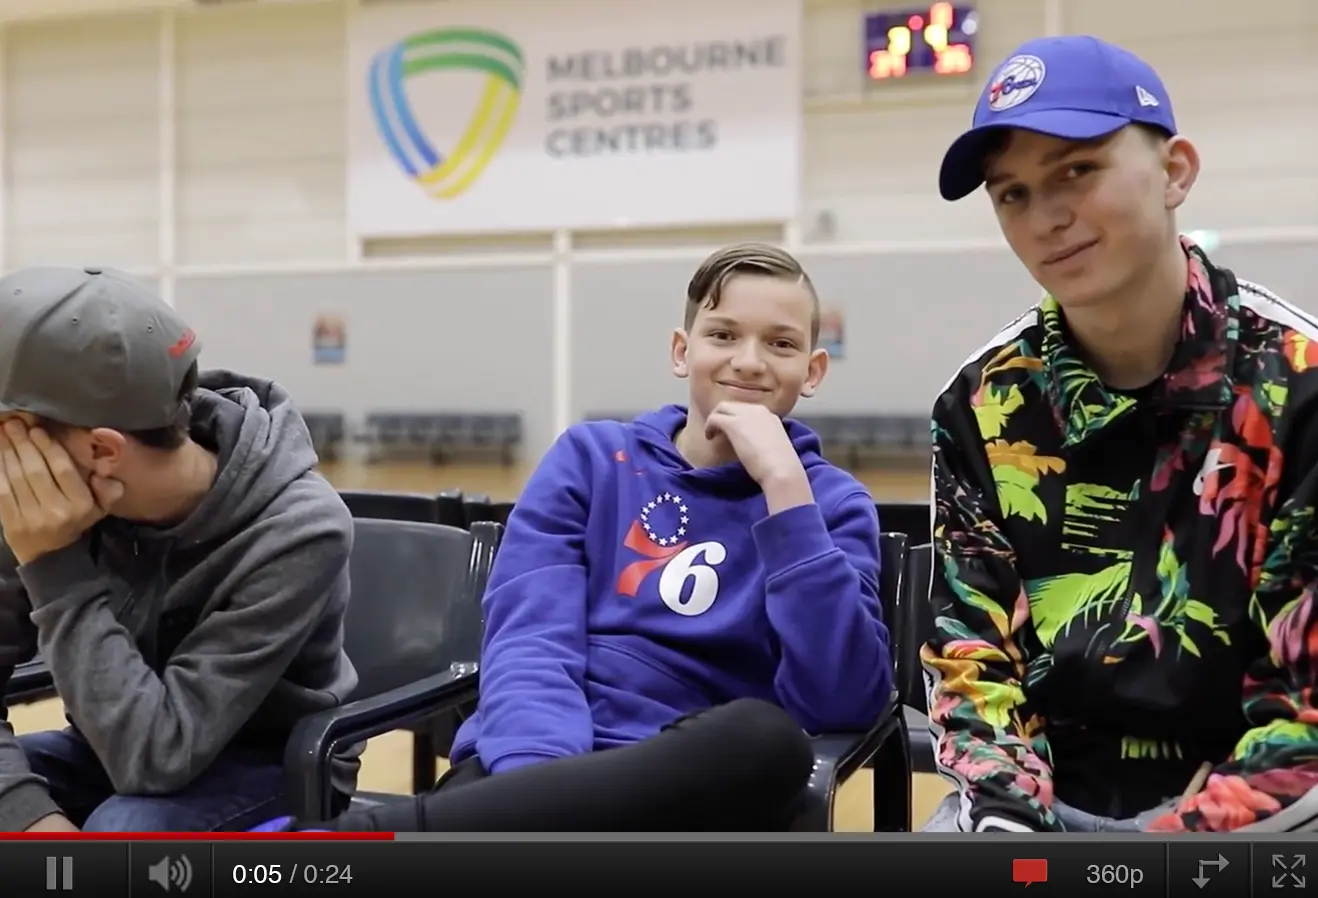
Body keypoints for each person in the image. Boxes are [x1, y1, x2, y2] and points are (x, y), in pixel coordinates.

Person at [254, 242, 893, 832]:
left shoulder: (830, 504)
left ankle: (383, 837)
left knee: (767, 739)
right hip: (537, 773)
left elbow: (842, 699)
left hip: (700, 785)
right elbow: (532, 638)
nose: (748, 361)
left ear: (812, 370)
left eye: (779, 345)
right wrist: (545, 785)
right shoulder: (591, 461)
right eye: (723, 334)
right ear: (682, 351)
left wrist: (784, 489)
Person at [919, 35, 1318, 834]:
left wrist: (1160, 849)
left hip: (1257, 810)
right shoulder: (980, 406)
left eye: (1077, 170)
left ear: (1175, 172)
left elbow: (1305, 711)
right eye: (1013, 194)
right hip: (1035, 809)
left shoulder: (1300, 385)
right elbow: (972, 671)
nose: (1048, 217)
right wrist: (1007, 822)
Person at [0, 266, 358, 832]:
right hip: (107, 748)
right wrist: (28, 819)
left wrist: (54, 564)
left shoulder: (298, 529)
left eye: (9, 436)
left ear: (101, 450)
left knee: (125, 832)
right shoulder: (43, 492)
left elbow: (157, 756)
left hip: (275, 766)